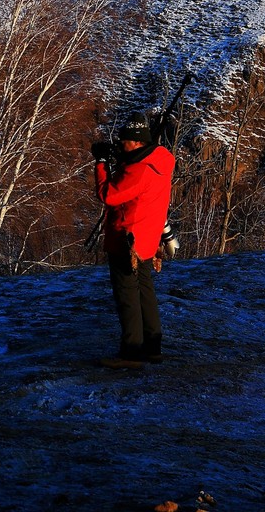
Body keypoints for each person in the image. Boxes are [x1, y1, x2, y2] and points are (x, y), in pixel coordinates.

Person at [90, 111, 176, 369]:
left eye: (124, 140)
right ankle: (152, 346)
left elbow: (109, 194)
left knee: (127, 295)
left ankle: (131, 352)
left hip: (128, 241)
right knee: (145, 292)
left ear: (137, 142)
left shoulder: (139, 170)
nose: (120, 143)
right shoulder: (160, 161)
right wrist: (122, 160)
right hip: (147, 239)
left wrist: (102, 164)